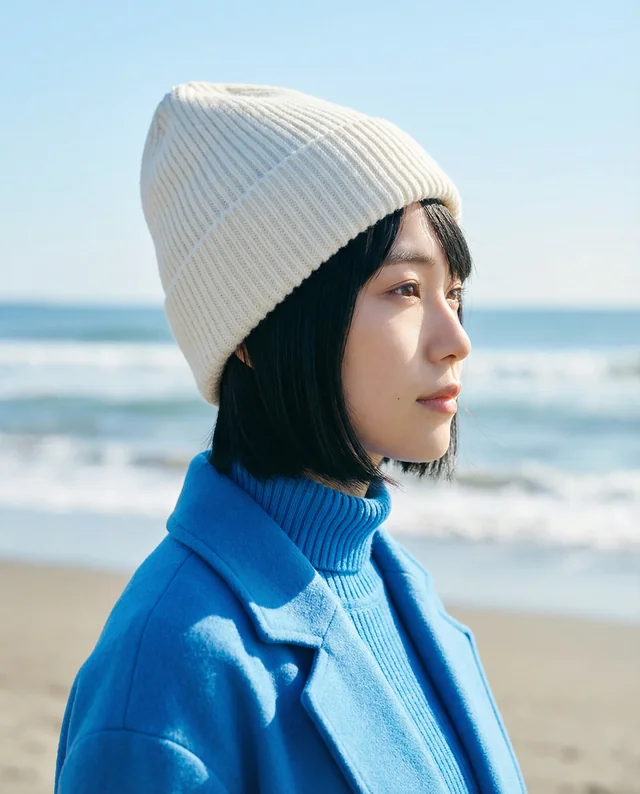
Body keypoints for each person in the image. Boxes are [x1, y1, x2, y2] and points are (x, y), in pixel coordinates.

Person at [54, 82, 526, 793]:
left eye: (453, 293)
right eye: (405, 290)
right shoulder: (166, 672)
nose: (456, 339)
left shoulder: (401, 591)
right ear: (256, 332)